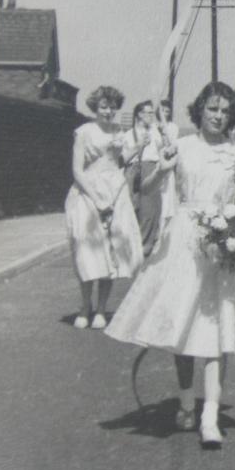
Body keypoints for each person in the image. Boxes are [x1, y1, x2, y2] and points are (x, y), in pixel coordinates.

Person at [106, 81, 235, 450]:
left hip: (221, 241)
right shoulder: (182, 147)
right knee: (184, 324)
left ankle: (210, 417)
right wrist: (164, 167)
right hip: (185, 240)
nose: (218, 116)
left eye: (225, 111)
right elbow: (144, 186)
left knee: (216, 327)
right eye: (212, 109)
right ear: (199, 110)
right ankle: (187, 403)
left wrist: (232, 212)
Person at [65, 86, 145, 330]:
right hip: (89, 192)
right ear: (95, 108)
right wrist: (96, 198)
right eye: (103, 107)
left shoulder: (118, 131)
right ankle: (84, 306)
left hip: (115, 191)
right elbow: (78, 170)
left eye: (112, 107)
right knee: (88, 250)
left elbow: (118, 161)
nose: (108, 111)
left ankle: (101, 309)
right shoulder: (84, 132)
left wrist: (139, 146)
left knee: (112, 252)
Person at [124, 100, 166, 257]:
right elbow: (124, 159)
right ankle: (136, 248)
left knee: (152, 211)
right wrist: (139, 146)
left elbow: (165, 150)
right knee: (135, 210)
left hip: (152, 170)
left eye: (152, 113)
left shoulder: (156, 132)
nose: (151, 116)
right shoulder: (128, 135)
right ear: (139, 114)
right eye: (148, 113)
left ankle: (146, 247)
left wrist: (164, 132)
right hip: (134, 172)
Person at [157, 100, 180, 227]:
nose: (165, 113)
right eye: (162, 111)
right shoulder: (153, 125)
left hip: (167, 161)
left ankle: (165, 221)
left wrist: (164, 128)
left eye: (167, 111)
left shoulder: (173, 126)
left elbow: (172, 143)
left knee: (167, 193)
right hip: (156, 161)